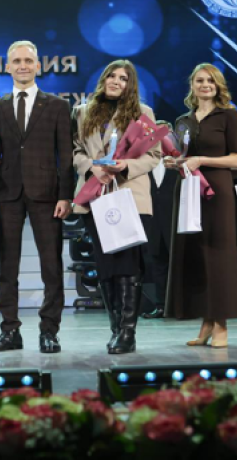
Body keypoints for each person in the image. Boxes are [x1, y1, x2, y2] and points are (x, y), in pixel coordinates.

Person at [0, 40, 73, 354]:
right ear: (8, 67)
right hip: (6, 194)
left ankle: (49, 331)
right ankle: (10, 331)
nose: (23, 66)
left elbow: (66, 156)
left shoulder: (58, 106)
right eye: (17, 61)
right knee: (7, 267)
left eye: (28, 61)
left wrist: (66, 195)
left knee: (51, 267)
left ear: (38, 66)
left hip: (47, 194)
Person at [73, 59, 161, 354]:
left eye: (123, 78)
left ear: (130, 85)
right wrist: (91, 167)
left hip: (130, 195)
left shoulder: (143, 113)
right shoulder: (83, 112)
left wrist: (125, 166)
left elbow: (153, 156)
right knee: (106, 265)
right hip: (95, 196)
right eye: (112, 76)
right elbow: (75, 150)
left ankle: (127, 332)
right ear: (103, 79)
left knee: (127, 264)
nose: (116, 81)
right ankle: (115, 329)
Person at [165, 63, 237, 348]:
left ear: (218, 85)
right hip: (188, 189)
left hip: (217, 190)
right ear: (192, 85)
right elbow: (183, 155)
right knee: (196, 254)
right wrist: (173, 162)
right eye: (199, 80)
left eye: (210, 80)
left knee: (219, 254)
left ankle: (221, 323)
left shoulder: (229, 115)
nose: (205, 85)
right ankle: (206, 322)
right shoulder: (182, 120)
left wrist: (202, 160)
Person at [140, 121, 179, 319]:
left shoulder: (180, 163)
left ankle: (181, 306)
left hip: (175, 223)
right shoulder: (142, 164)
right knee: (157, 265)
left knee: (179, 264)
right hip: (152, 224)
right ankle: (161, 305)